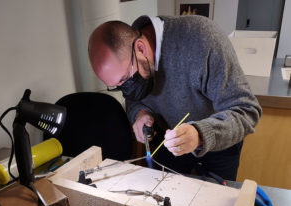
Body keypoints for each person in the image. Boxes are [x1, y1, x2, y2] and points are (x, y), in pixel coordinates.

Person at [88, 15, 262, 180]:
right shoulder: (128, 54)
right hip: (169, 141)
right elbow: (134, 98)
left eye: (125, 79)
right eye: (117, 87)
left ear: (141, 48)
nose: (126, 90)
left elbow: (247, 111)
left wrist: (199, 135)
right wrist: (139, 114)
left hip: (219, 141)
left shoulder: (202, 39)